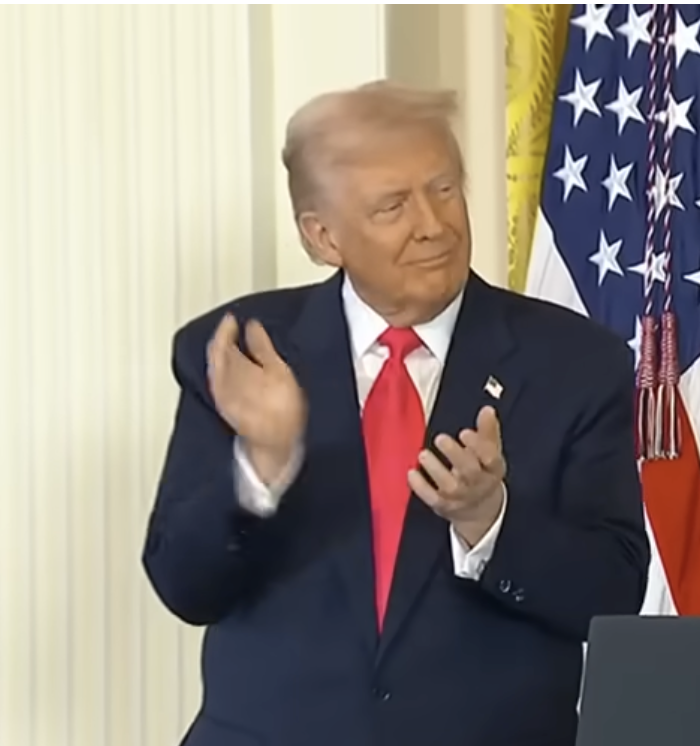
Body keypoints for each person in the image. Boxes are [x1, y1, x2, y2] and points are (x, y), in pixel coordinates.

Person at [140, 81, 649, 746]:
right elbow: (185, 586)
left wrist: (489, 520)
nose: (433, 224)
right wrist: (258, 469)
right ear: (323, 236)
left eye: (444, 189)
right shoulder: (242, 353)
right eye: (392, 206)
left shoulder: (575, 363)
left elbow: (612, 596)